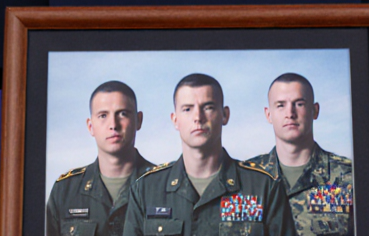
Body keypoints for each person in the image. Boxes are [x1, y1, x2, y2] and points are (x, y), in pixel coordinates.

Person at [124, 73, 295, 236]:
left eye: (208, 107)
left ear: (225, 115)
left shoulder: (264, 187)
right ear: (175, 120)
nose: (198, 117)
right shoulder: (146, 190)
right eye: (187, 109)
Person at [245, 74, 353, 236]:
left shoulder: (350, 176)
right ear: (268, 115)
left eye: (299, 104)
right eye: (280, 105)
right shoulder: (245, 178)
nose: (290, 113)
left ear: (315, 110)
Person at [46, 81, 156, 236]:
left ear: (138, 120)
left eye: (123, 113)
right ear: (91, 126)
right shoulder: (65, 191)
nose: (113, 125)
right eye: (103, 115)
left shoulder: (164, 188)